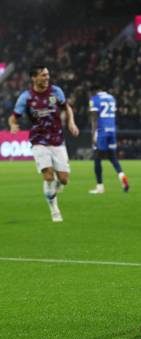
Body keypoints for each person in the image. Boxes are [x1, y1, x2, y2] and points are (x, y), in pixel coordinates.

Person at [8, 65, 79, 222]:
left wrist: (71, 123)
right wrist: (13, 125)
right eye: (43, 75)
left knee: (64, 179)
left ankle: (58, 185)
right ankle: (54, 210)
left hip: (57, 139)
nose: (47, 78)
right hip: (38, 140)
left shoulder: (55, 92)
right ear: (34, 78)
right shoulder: (26, 97)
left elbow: (66, 108)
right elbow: (14, 117)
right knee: (48, 175)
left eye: (47, 75)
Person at [88, 84, 129, 194]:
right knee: (112, 157)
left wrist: (93, 134)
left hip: (101, 131)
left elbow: (94, 118)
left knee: (97, 158)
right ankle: (122, 176)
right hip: (112, 130)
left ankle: (100, 186)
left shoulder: (94, 99)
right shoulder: (111, 98)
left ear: (94, 91)